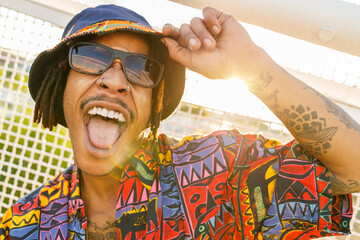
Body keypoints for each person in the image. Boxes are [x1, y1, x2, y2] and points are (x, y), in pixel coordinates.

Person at [0, 3, 359, 239]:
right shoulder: (22, 227)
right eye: (91, 57)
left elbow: (354, 169)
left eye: (142, 68)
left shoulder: (220, 169)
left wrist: (251, 64)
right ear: (62, 85)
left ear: (155, 99)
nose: (115, 80)